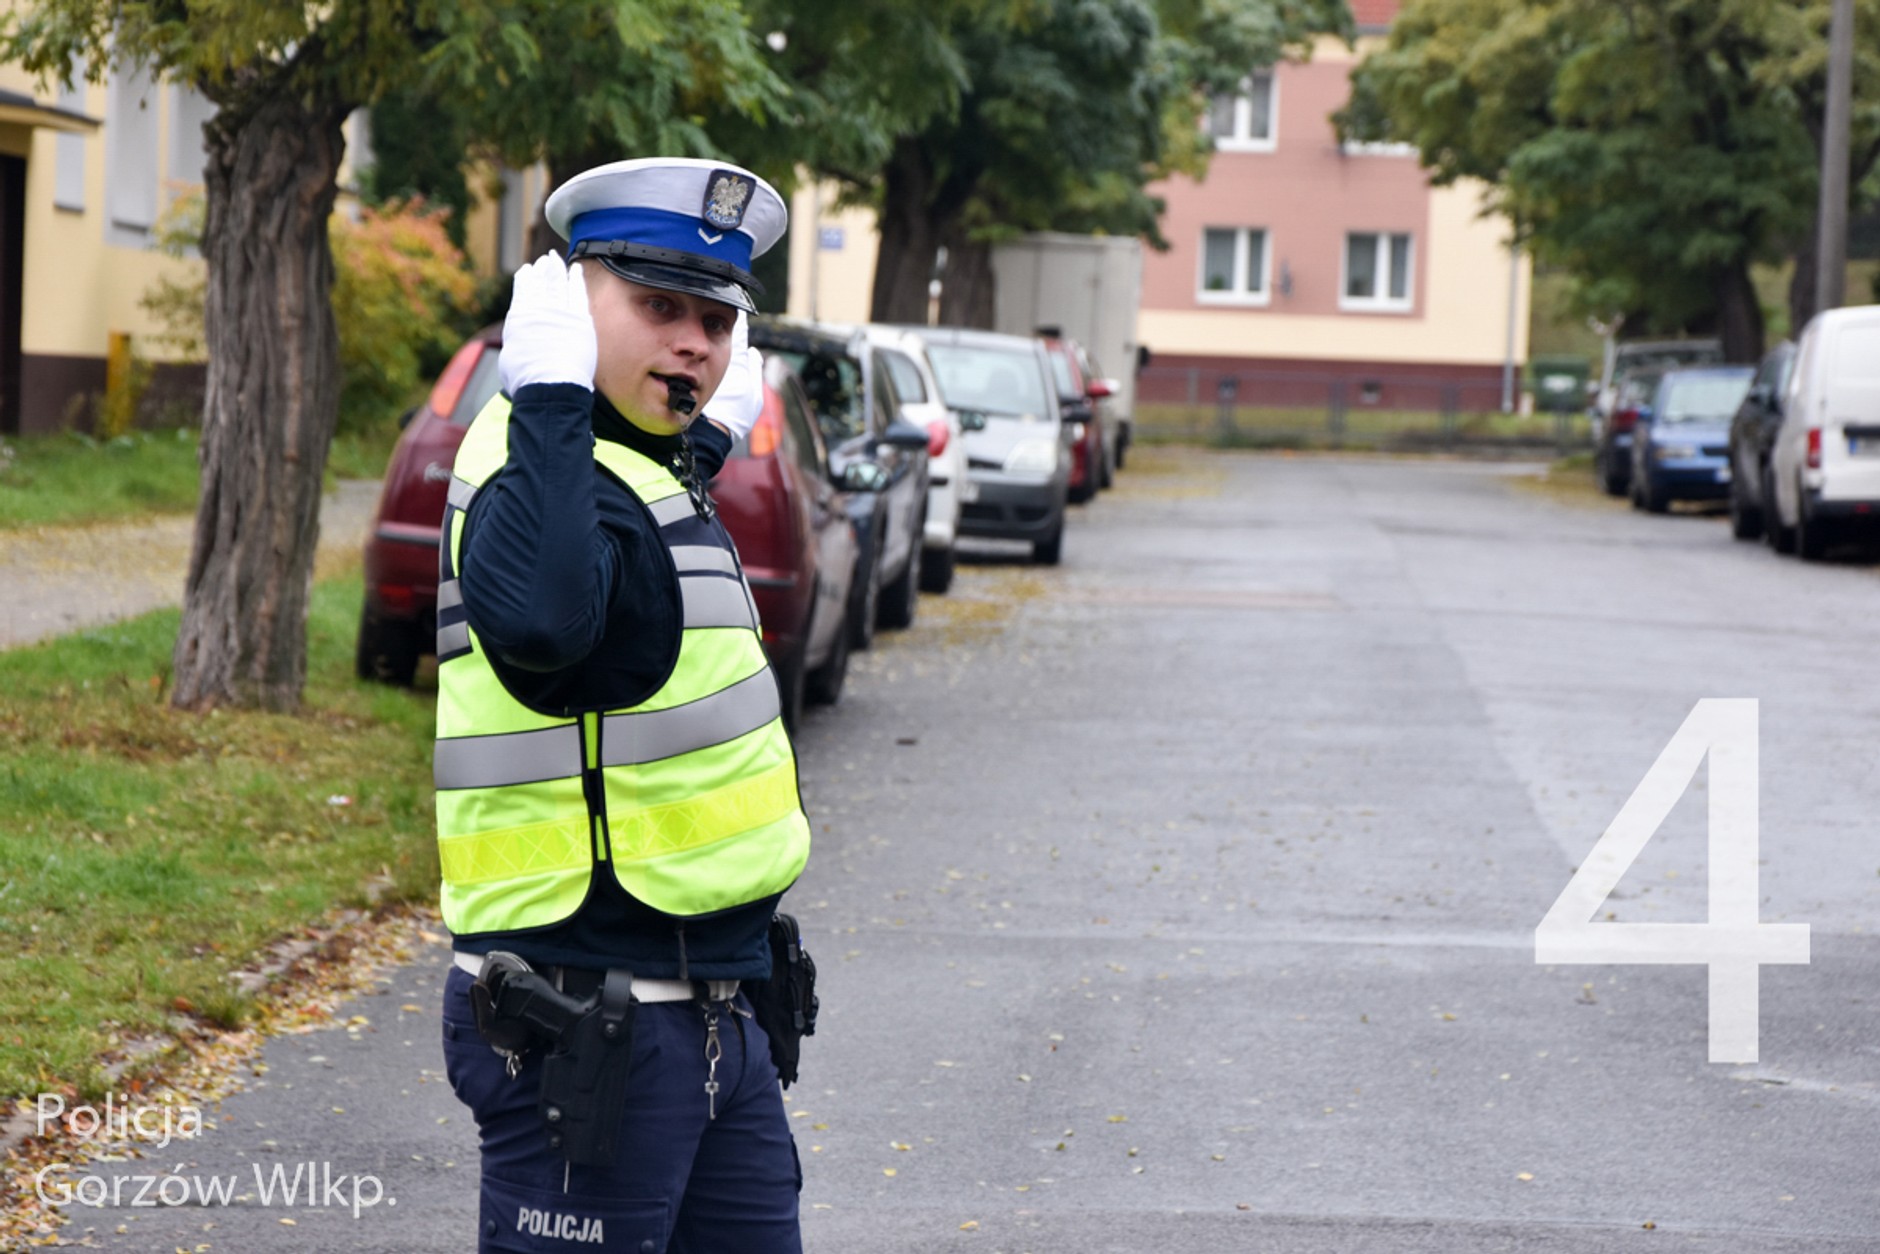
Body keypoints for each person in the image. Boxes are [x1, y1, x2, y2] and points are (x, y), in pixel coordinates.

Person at [433, 157, 812, 1254]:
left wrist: (700, 446)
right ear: (569, 307)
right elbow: (551, 626)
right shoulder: (533, 467)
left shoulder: (632, 463)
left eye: (715, 321)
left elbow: (636, 570)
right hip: (585, 1016)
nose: (694, 343)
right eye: (657, 308)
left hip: (712, 1010)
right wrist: (551, 397)